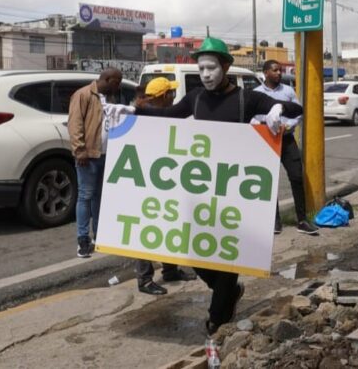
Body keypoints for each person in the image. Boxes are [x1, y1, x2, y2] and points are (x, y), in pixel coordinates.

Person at [134, 37, 303, 335]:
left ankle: (218, 320)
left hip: (234, 191)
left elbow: (294, 107)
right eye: (201, 69)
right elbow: (167, 116)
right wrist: (131, 114)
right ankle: (229, 293)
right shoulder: (196, 98)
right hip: (203, 189)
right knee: (196, 254)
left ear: (226, 66)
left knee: (227, 259)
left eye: (212, 67)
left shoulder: (246, 98)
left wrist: (277, 108)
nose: (206, 74)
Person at [133, 77, 197, 295]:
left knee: (170, 223)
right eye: (170, 93)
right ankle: (144, 279)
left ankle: (170, 270)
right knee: (146, 227)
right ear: (163, 97)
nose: (173, 96)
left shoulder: (164, 115)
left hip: (167, 179)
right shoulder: (143, 117)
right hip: (148, 181)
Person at [254, 59, 319, 236]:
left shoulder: (288, 91)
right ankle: (275, 221)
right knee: (269, 181)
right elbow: (251, 116)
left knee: (297, 177)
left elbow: (298, 112)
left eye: (280, 70)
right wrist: (262, 125)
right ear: (266, 72)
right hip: (267, 141)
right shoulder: (256, 93)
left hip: (287, 140)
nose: (279, 73)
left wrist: (288, 125)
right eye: (275, 70)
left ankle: (302, 220)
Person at [68, 68, 124, 258]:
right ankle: (83, 240)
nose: (119, 86)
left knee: (99, 197)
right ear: (108, 79)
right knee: (85, 196)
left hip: (107, 155)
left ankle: (99, 235)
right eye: (117, 82)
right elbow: (75, 123)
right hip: (89, 155)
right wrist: (80, 149)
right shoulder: (83, 94)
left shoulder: (110, 98)